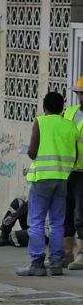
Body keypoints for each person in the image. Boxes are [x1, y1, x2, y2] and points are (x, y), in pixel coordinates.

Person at [17, 90, 77, 276]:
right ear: (62, 108)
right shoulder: (70, 126)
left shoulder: (40, 122)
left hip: (42, 179)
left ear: (45, 108)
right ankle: (56, 263)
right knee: (58, 222)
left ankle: (36, 264)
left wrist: (31, 152)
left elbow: (33, 152)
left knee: (36, 221)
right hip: (62, 179)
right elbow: (74, 155)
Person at [66, 76, 83, 270]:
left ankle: (81, 255)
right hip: (68, 170)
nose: (81, 96)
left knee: (81, 214)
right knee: (66, 212)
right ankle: (66, 253)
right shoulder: (69, 113)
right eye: (79, 93)